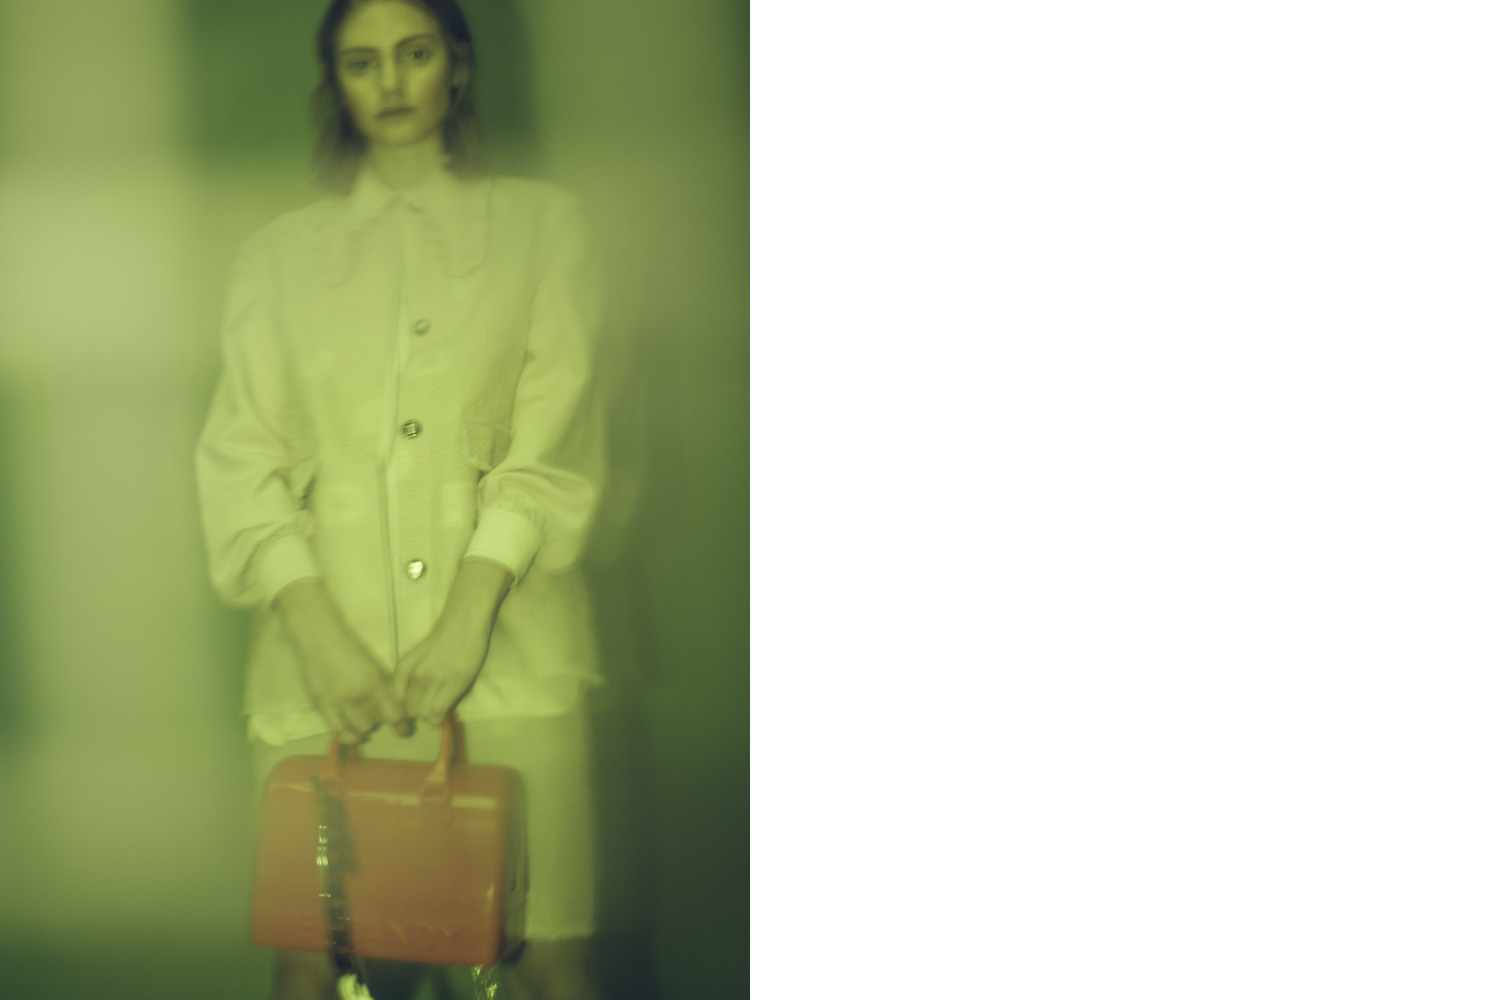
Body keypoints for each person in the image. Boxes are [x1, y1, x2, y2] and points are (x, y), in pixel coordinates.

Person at [195, 1, 606, 997]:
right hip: (318, 677)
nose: (389, 81)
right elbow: (241, 456)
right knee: (314, 965)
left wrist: (468, 615)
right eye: (362, 61)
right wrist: (318, 635)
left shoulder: (546, 228)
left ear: (456, 67)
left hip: (512, 665)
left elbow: (557, 438)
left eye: (413, 53)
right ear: (335, 83)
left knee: (547, 958)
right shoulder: (276, 257)